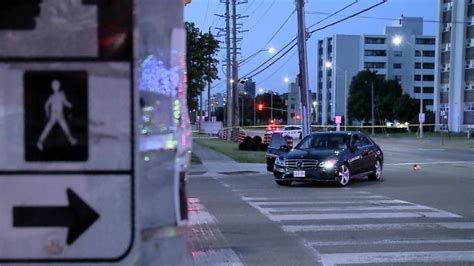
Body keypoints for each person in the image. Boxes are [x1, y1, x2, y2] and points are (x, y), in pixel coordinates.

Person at [36, 80, 77, 151]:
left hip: (60, 115)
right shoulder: (51, 96)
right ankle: (39, 142)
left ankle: (71, 140)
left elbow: (64, 102)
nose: (55, 86)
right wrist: (47, 112)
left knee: (65, 127)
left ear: (59, 86)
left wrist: (69, 105)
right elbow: (46, 104)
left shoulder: (62, 94)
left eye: (56, 85)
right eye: (53, 85)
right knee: (47, 128)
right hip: (53, 115)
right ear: (52, 87)